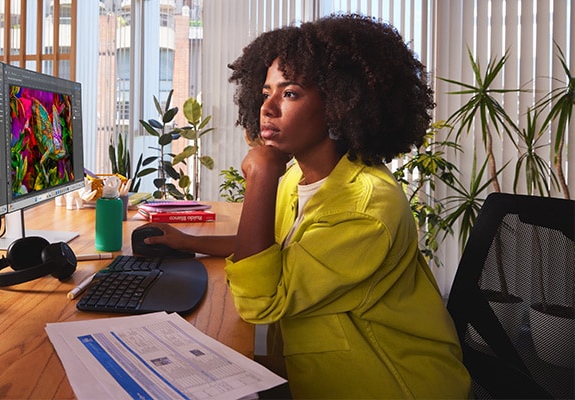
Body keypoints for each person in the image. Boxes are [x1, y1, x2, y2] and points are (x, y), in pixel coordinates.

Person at [141, 14, 471, 398]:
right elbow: (278, 247)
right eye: (266, 93)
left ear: (339, 105)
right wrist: (188, 242)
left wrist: (262, 177)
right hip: (319, 372)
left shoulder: (365, 208)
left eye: (291, 93)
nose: (268, 107)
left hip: (389, 384)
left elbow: (259, 303)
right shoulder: (303, 177)